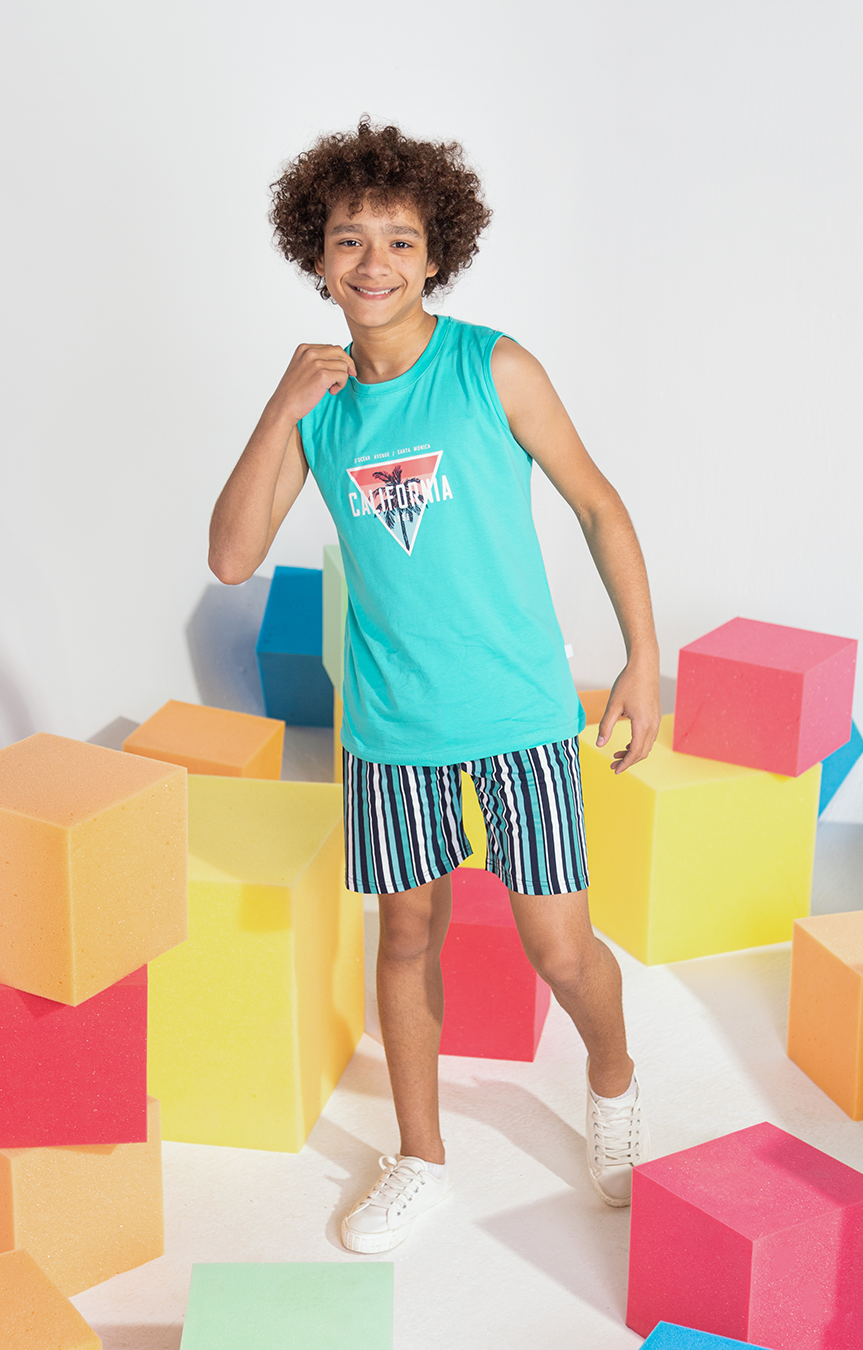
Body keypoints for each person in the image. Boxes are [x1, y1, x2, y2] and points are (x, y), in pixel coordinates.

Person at [209, 117, 661, 1254]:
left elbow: (599, 505)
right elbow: (230, 557)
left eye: (400, 241)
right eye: (349, 240)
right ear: (315, 256)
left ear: (436, 253)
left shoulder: (492, 366)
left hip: (517, 716)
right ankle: (420, 1157)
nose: (375, 263)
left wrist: (643, 661)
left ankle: (613, 1080)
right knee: (406, 937)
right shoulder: (317, 408)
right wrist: (279, 409)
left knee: (561, 949)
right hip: (391, 726)